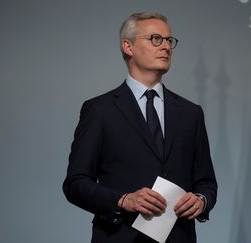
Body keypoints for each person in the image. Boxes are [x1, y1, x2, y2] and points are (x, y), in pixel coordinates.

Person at [63, 12, 217, 243]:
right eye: (156, 38)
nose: (165, 46)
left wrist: (201, 200)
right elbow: (75, 183)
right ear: (128, 46)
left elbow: (206, 182)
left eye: (169, 40)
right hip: (121, 236)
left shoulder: (190, 113)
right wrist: (123, 200)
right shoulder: (100, 110)